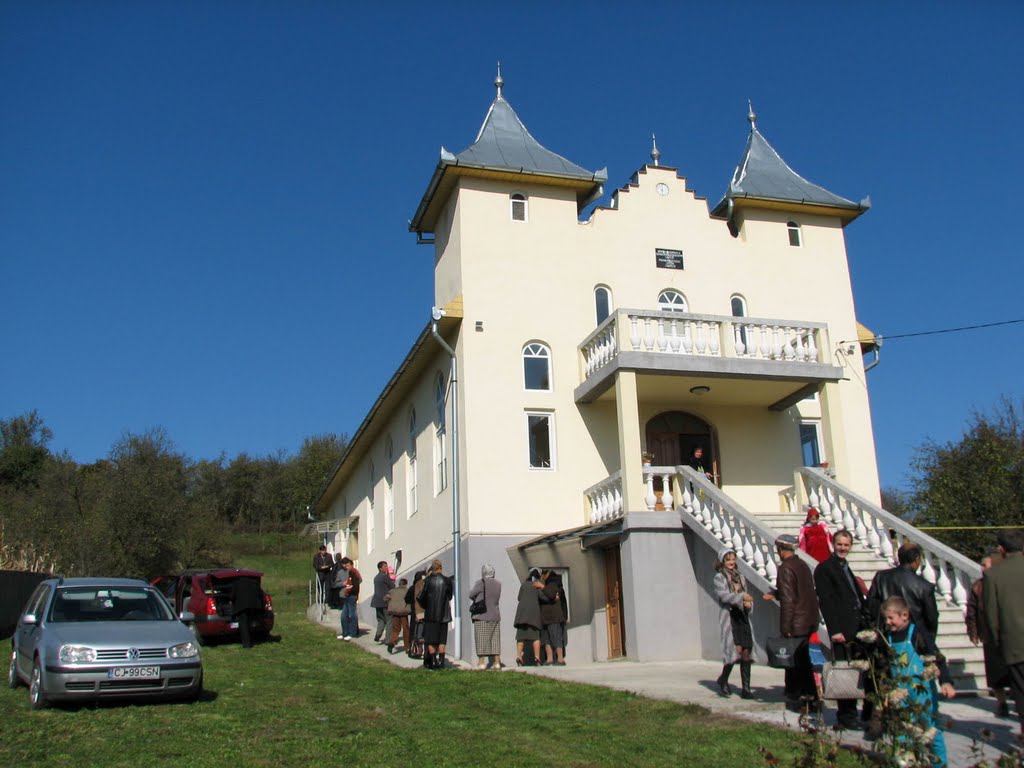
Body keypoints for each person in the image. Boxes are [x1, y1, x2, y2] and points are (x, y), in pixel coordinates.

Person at [879, 595, 956, 766]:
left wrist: (946, 681)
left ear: (904, 615)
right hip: (900, 693)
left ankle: (939, 763)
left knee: (930, 729)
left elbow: (936, 656)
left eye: (891, 618)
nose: (888, 622)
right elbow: (884, 665)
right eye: (886, 618)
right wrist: (885, 689)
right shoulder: (888, 637)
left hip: (922, 692)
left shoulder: (917, 634)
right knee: (901, 729)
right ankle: (906, 761)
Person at [813, 529, 869, 729]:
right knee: (845, 672)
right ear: (832, 544)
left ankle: (859, 714)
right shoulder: (825, 568)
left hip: (856, 628)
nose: (843, 548)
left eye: (846, 545)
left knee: (856, 671)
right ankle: (846, 716)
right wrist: (834, 629)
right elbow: (826, 601)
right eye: (839, 544)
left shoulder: (845, 567)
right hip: (841, 630)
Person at [765, 533, 819, 711]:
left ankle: (801, 698)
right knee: (803, 663)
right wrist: (776, 593)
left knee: (795, 664)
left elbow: (789, 600)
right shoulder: (801, 565)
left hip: (796, 623)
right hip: (807, 619)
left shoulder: (786, 568)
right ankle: (808, 697)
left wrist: (786, 627)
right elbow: (800, 591)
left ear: (781, 550)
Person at [984, 529, 1024, 735]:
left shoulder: (993, 576)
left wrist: (997, 643)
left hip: (1015, 645)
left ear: (1001, 548)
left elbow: (991, 616)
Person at [966, 551, 1010, 717]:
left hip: (1008, 635)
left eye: (985, 565)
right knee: (995, 675)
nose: (982, 568)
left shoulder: (1005, 583)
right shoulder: (978, 586)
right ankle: (1002, 703)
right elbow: (972, 609)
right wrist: (973, 630)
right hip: (989, 635)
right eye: (982, 565)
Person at [866, 542, 939, 638]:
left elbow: (870, 606)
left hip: (886, 634)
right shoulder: (925, 586)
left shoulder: (881, 577)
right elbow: (931, 619)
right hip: (913, 637)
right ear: (917, 560)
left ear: (899, 558)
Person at [713, 547, 754, 698]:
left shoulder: (740, 577)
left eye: (733, 559)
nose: (731, 562)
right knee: (733, 652)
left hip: (742, 616)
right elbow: (723, 595)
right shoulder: (719, 577)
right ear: (722, 561)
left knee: (746, 651)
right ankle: (723, 679)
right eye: (728, 559)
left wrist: (748, 604)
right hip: (730, 616)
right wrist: (741, 598)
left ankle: (746, 689)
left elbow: (746, 594)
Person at [417, 559, 453, 669]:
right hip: (443, 615)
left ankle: (433, 662)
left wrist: (425, 605)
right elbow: (450, 596)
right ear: (441, 568)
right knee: (442, 640)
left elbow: (421, 596)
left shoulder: (428, 580)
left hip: (431, 614)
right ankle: (441, 662)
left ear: (432, 568)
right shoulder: (447, 581)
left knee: (431, 640)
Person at [468, 564, 504, 670]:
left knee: (481, 639)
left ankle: (481, 663)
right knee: (495, 639)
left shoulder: (480, 583)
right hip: (495, 615)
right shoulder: (498, 584)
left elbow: (471, 594)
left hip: (482, 615)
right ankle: (497, 663)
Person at [514, 568, 544, 666]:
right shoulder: (537, 584)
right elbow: (543, 597)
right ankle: (537, 658)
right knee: (535, 636)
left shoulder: (524, 584)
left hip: (522, 615)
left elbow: (519, 598)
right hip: (533, 615)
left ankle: (519, 657)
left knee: (521, 637)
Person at [539, 570, 568, 666]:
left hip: (554, 617)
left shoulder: (553, 583)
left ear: (546, 575)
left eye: (542, 575)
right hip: (546, 617)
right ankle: (550, 659)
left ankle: (560, 660)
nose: (541, 578)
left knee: (556, 638)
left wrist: (542, 587)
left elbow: (550, 595)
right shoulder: (550, 585)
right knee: (547, 639)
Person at [231, 576, 264, 649]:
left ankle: (247, 644)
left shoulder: (236, 583)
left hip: (242, 606)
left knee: (244, 625)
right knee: (250, 623)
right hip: (254, 605)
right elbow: (260, 594)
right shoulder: (254, 582)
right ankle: (252, 640)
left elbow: (232, 596)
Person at [337, 557, 362, 641]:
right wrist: (343, 584)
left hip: (352, 595)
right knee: (344, 615)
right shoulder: (341, 572)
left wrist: (350, 584)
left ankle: (353, 633)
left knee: (352, 614)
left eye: (347, 565)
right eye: (344, 565)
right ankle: (345, 632)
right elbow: (336, 583)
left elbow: (358, 581)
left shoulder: (354, 572)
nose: (345, 566)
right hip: (345, 595)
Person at [371, 560, 395, 643]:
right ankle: (388, 640)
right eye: (385, 566)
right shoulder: (385, 577)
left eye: (387, 566)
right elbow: (392, 586)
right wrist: (391, 578)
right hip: (385, 601)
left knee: (381, 619)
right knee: (389, 620)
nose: (386, 568)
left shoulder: (376, 577)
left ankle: (378, 634)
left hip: (377, 601)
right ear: (380, 568)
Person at [385, 577, 410, 654]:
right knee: (406, 630)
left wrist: (390, 604)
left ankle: (392, 642)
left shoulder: (392, 591)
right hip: (403, 612)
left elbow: (385, 598)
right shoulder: (407, 591)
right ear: (405, 584)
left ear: (399, 584)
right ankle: (407, 647)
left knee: (396, 629)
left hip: (394, 612)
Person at [405, 570, 426, 659]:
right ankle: (419, 649)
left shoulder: (412, 587)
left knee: (415, 632)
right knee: (421, 632)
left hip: (416, 612)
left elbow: (407, 599)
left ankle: (414, 648)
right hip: (421, 612)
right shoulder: (420, 586)